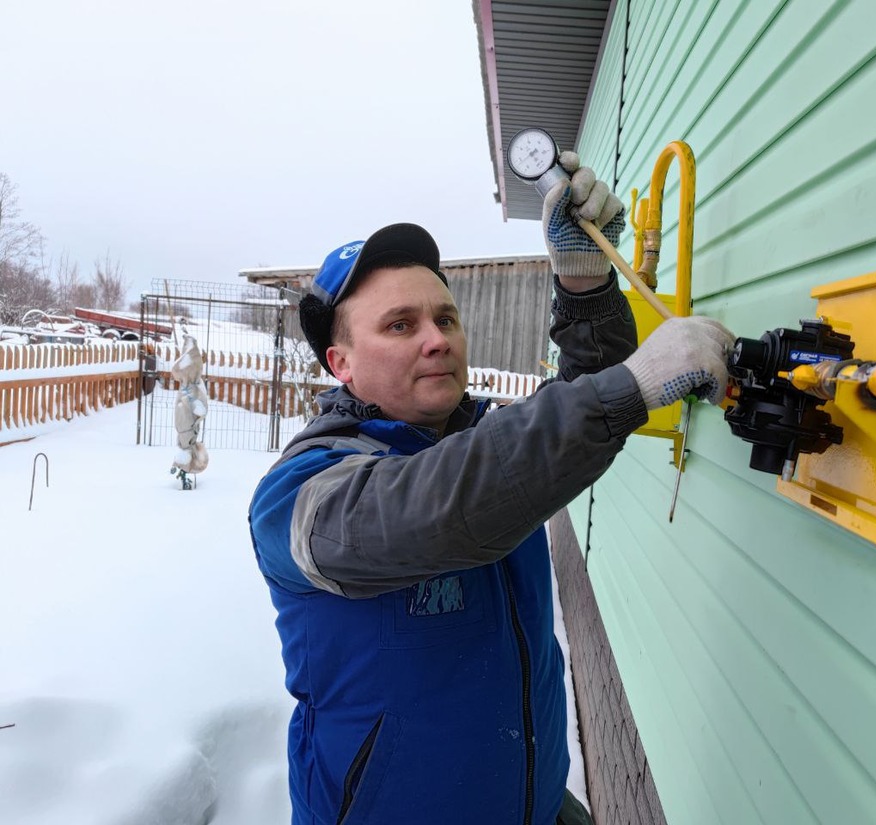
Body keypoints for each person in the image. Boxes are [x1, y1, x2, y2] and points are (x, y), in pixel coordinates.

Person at [248, 153, 734, 825]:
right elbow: (443, 505)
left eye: (445, 318)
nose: (436, 339)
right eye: (400, 324)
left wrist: (586, 281)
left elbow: (558, 421)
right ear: (342, 363)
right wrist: (630, 387)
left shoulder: (486, 441)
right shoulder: (302, 496)